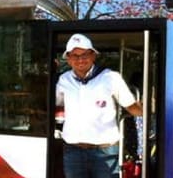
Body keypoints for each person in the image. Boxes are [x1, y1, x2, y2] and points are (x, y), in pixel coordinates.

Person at [55, 33, 142, 178]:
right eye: (75, 56)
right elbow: (56, 105)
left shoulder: (111, 77)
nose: (80, 59)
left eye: (85, 54)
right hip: (73, 152)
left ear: (93, 56)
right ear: (68, 59)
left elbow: (131, 107)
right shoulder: (63, 80)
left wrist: (149, 110)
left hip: (105, 152)